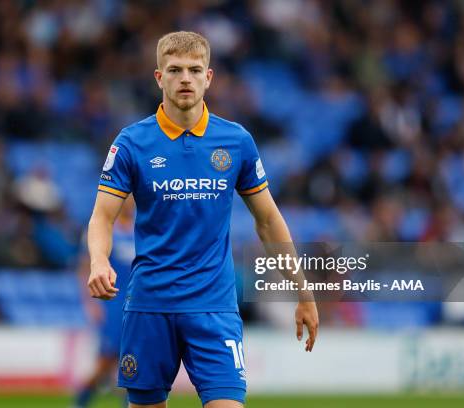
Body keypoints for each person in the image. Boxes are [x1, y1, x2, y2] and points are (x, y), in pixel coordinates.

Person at [87, 31, 319, 408]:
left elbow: (268, 220)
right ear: (159, 77)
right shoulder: (132, 143)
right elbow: (102, 216)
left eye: (195, 70)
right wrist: (98, 260)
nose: (185, 79)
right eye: (175, 70)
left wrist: (303, 290)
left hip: (214, 308)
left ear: (208, 77)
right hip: (151, 305)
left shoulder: (236, 141)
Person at [75, 197, 135, 407]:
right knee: (106, 360)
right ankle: (79, 402)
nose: (129, 203)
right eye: (126, 198)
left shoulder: (141, 229)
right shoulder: (104, 231)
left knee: (133, 358)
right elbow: (85, 268)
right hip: (112, 303)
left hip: (137, 304)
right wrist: (90, 302)